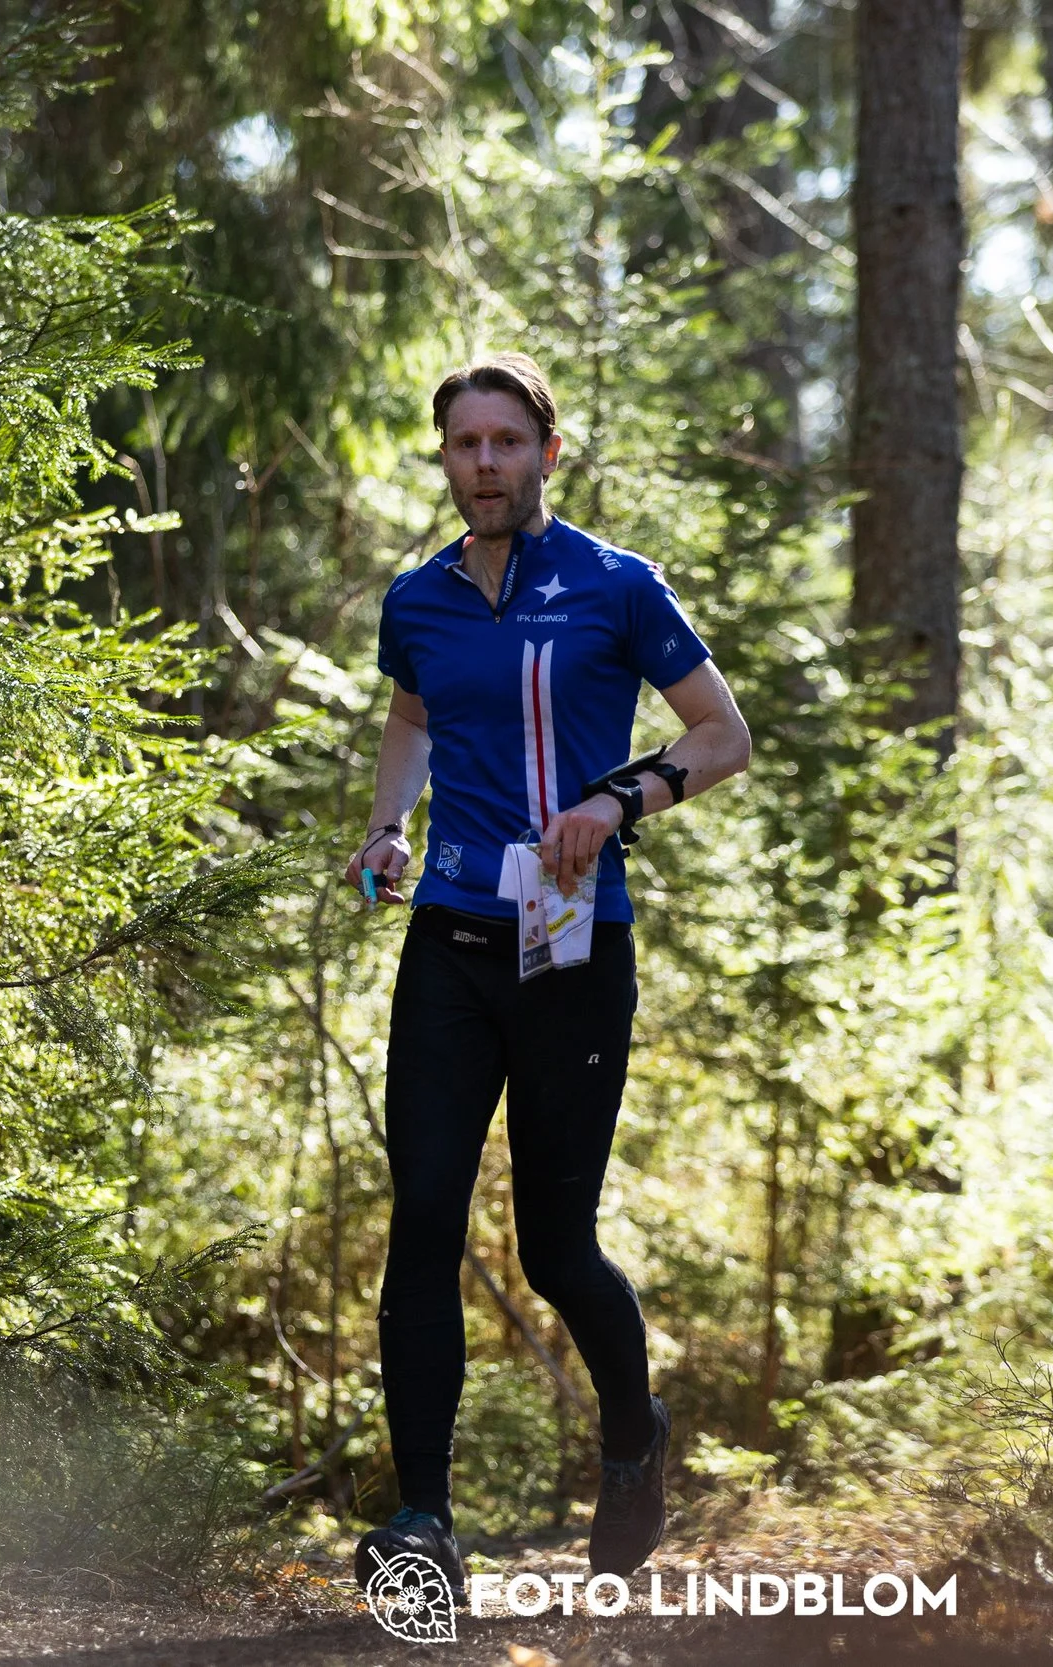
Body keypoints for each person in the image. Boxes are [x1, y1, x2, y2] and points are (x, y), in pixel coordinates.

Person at [342, 352, 752, 1593]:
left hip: (572, 947)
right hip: (452, 942)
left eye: (507, 441)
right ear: (445, 457)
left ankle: (633, 1436)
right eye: (466, 443)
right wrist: (387, 827)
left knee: (556, 1250)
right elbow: (412, 716)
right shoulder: (416, 600)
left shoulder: (615, 584)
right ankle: (425, 1520)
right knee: (422, 1222)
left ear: (547, 453)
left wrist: (617, 800)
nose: (486, 463)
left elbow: (722, 734)